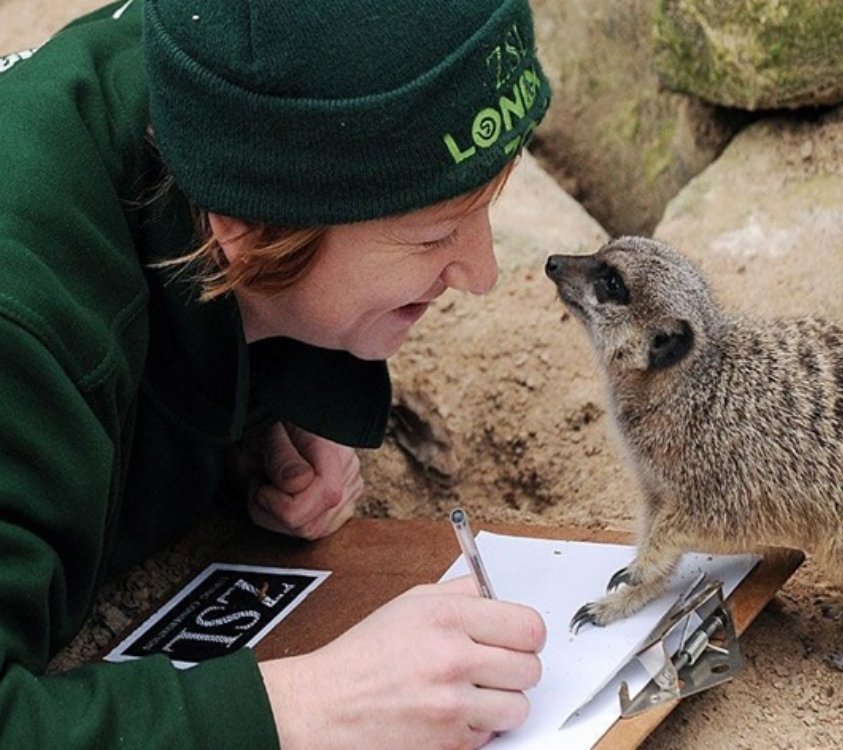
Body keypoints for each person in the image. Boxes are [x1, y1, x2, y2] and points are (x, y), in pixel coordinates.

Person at [0, 0, 551, 747]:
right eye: (429, 235)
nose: (481, 274)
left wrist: (266, 394)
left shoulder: (218, 57)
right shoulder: (24, 334)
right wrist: (308, 706)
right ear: (251, 225)